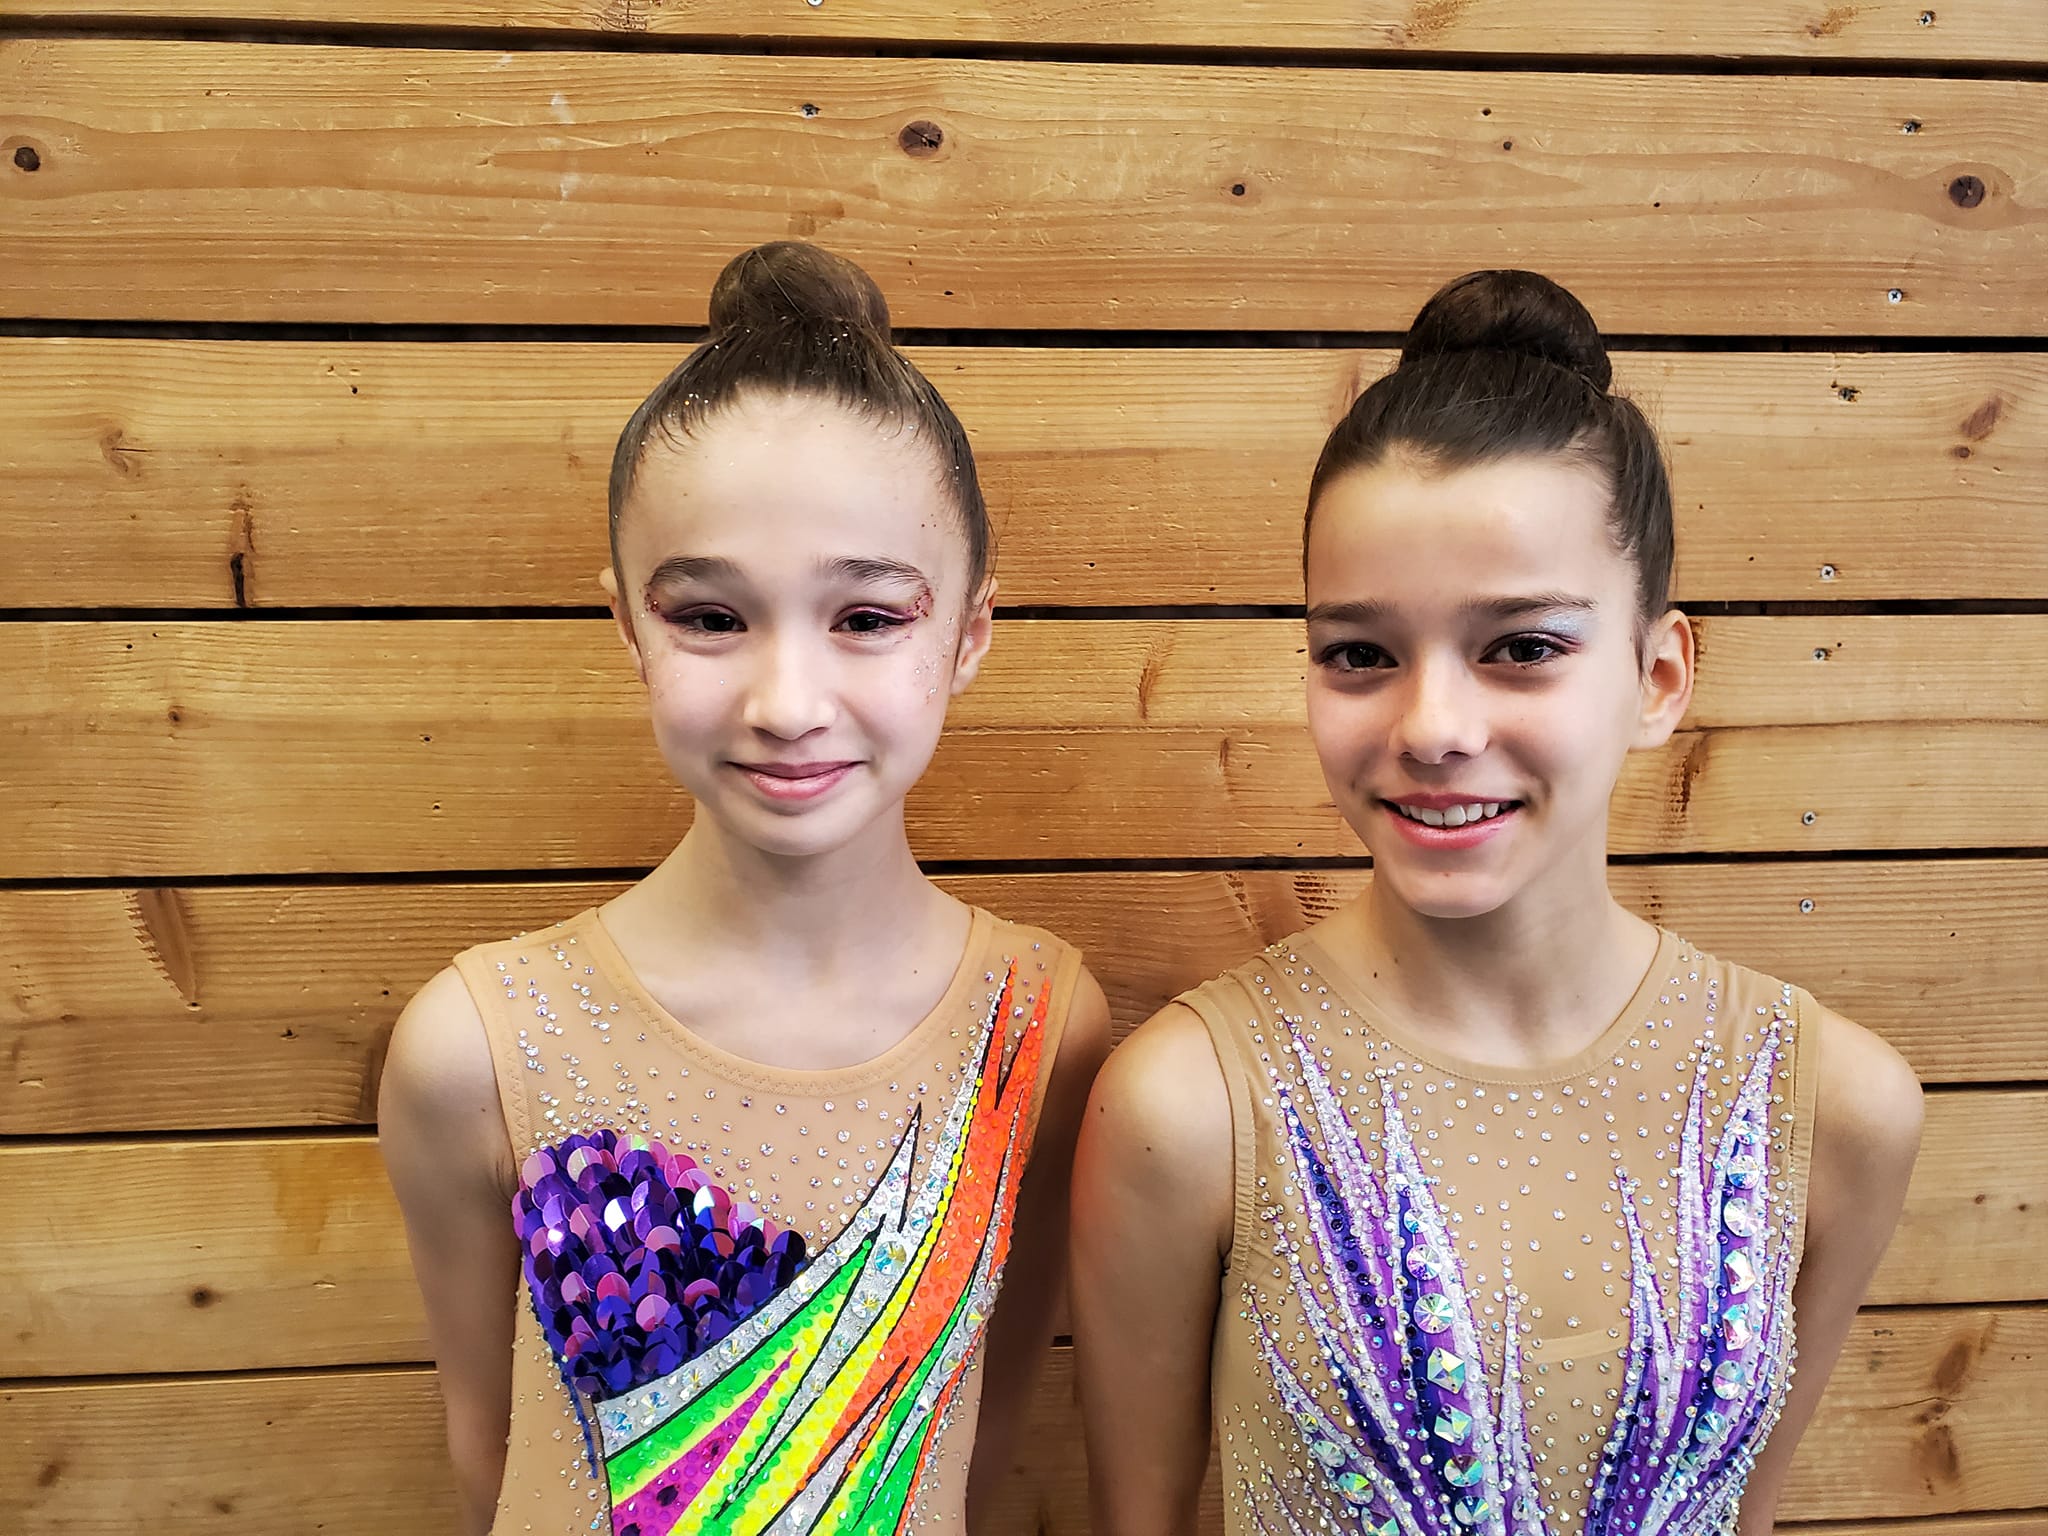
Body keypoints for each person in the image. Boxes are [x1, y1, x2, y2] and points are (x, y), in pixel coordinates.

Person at [1070, 270, 1922, 1536]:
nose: (1432, 728)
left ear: (1657, 675)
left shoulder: (1834, 1105)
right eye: (1359, 653)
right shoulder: (1187, 1108)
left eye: (1520, 646)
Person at [379, 241, 1110, 1536]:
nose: (786, 702)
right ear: (627, 625)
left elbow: (969, 1433)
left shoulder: (1041, 1027)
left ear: (968, 634)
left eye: (866, 618)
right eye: (711, 619)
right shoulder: (474, 1049)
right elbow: (485, 1444)